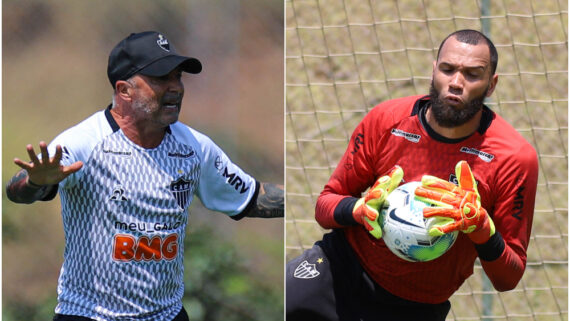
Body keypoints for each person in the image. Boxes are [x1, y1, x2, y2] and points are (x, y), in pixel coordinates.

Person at [6, 31, 283, 321]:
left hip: (166, 315)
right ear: (124, 90)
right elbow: (18, 191)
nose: (175, 88)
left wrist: (316, 197)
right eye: (161, 79)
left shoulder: (194, 147)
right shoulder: (84, 142)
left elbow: (252, 198)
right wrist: (37, 182)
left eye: (178, 77)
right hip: (91, 315)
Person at [286, 29, 539, 321]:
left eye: (472, 74)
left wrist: (482, 229)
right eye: (447, 69)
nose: (455, 83)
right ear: (434, 71)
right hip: (339, 268)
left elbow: (508, 278)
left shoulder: (514, 158)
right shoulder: (386, 120)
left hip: (417, 305)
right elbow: (325, 205)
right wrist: (358, 209)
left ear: (491, 85)